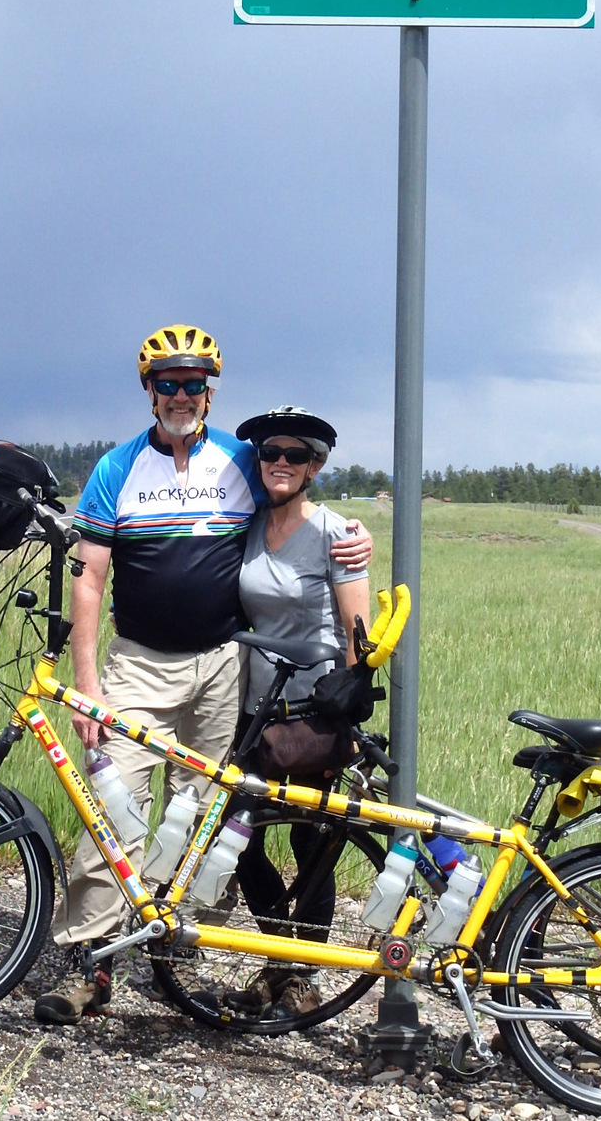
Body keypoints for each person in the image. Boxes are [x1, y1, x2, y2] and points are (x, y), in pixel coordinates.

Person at [34, 326, 371, 1025]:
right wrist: (88, 685)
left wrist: (353, 536)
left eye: (193, 383)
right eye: (167, 382)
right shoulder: (117, 467)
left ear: (210, 391)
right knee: (112, 808)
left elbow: (296, 494)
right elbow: (90, 579)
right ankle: (87, 966)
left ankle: (173, 958)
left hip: (222, 671)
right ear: (148, 390)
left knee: (202, 819)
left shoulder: (241, 461)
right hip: (137, 664)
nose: (181, 394)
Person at [227, 405, 370, 1021]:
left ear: (315, 465)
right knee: (242, 840)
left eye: (295, 455)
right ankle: (276, 960)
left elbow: (357, 633)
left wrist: (352, 702)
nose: (280, 463)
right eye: (270, 454)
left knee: (311, 842)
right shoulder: (251, 523)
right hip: (253, 711)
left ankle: (301, 977)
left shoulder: (337, 532)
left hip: (310, 712)